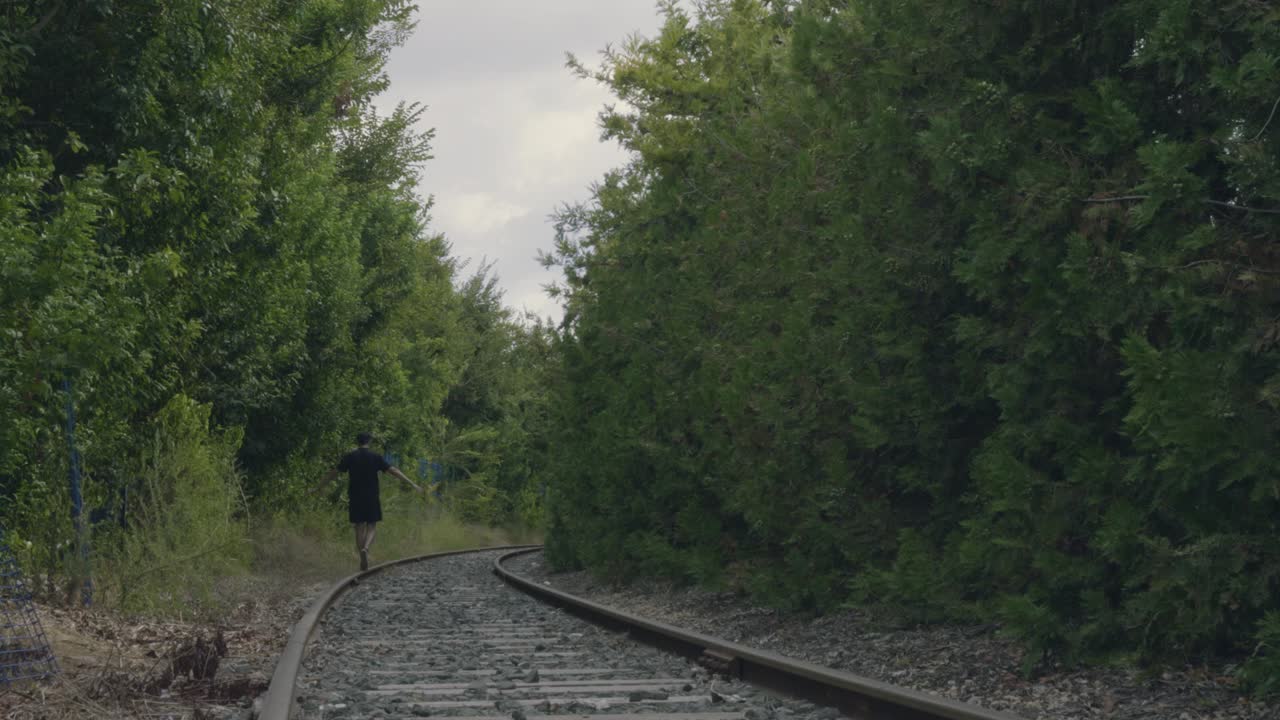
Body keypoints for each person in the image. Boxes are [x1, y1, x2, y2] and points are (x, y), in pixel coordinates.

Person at [311, 432, 422, 570]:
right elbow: (393, 470)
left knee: (359, 526)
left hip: (355, 495)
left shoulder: (350, 457)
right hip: (371, 495)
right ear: (369, 441)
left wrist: (318, 487)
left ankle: (361, 554)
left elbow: (334, 472)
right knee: (372, 525)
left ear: (357, 442)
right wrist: (412, 483)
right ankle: (366, 548)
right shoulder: (375, 457)